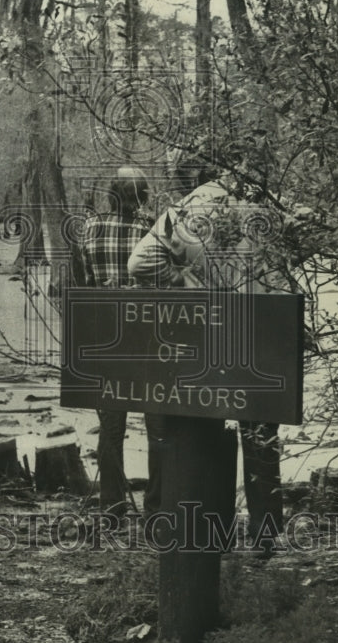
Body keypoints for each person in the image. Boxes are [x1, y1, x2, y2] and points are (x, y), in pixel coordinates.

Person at [127, 164, 285, 546]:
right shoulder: (265, 205)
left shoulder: (187, 210)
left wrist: (188, 282)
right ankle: (265, 534)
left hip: (209, 333)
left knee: (207, 426)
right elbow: (285, 278)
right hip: (261, 331)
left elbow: (139, 263)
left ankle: (215, 529)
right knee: (260, 434)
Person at [80, 166, 154, 524]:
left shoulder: (90, 229)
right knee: (158, 426)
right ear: (143, 197)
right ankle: (158, 506)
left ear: (111, 196)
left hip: (105, 337)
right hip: (147, 340)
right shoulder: (150, 229)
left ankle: (111, 506)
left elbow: (84, 283)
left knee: (111, 430)